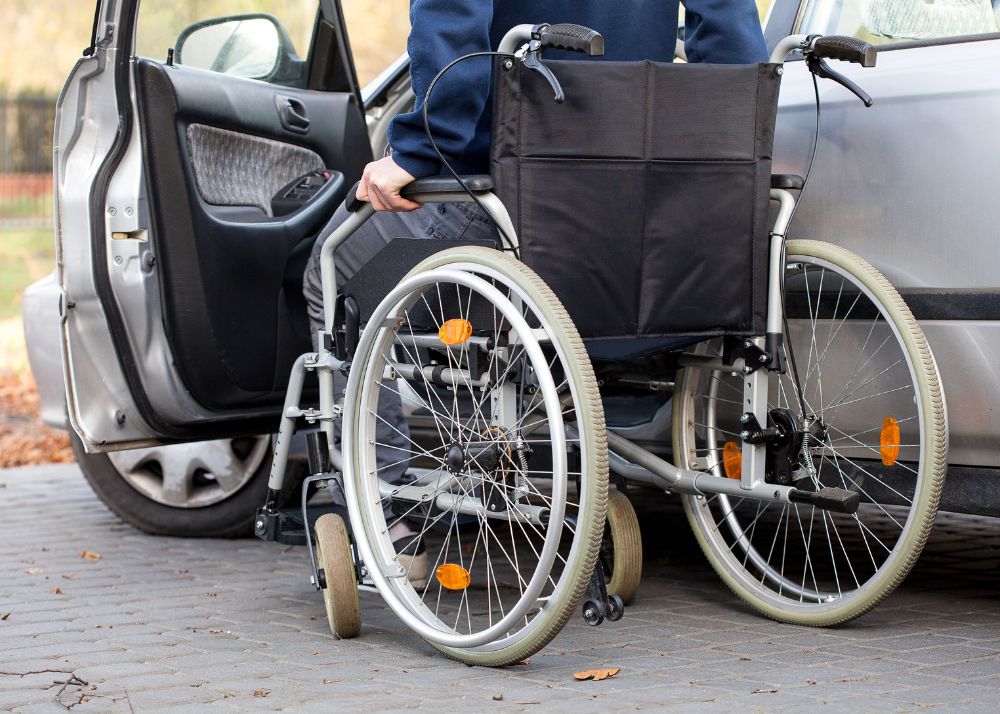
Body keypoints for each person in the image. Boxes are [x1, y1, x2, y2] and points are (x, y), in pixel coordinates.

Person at [302, 0, 767, 581]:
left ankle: (389, 514)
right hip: (636, 202)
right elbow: (728, 32)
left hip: (509, 192)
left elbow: (452, 21)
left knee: (337, 272)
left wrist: (418, 151)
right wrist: (727, 144)